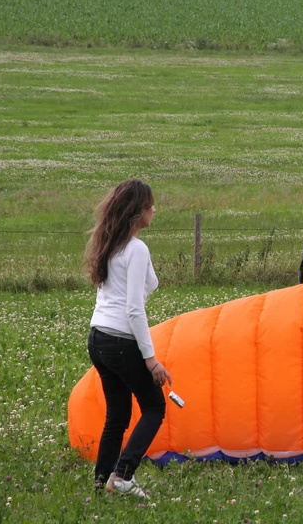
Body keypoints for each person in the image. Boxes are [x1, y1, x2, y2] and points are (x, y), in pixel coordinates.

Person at [84, 179, 172, 498]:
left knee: (118, 416)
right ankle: (122, 476)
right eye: (150, 204)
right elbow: (135, 310)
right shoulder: (136, 249)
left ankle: (100, 481)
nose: (154, 209)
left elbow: (149, 284)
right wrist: (150, 360)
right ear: (137, 212)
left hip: (98, 339)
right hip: (122, 340)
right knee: (154, 408)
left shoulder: (110, 243)